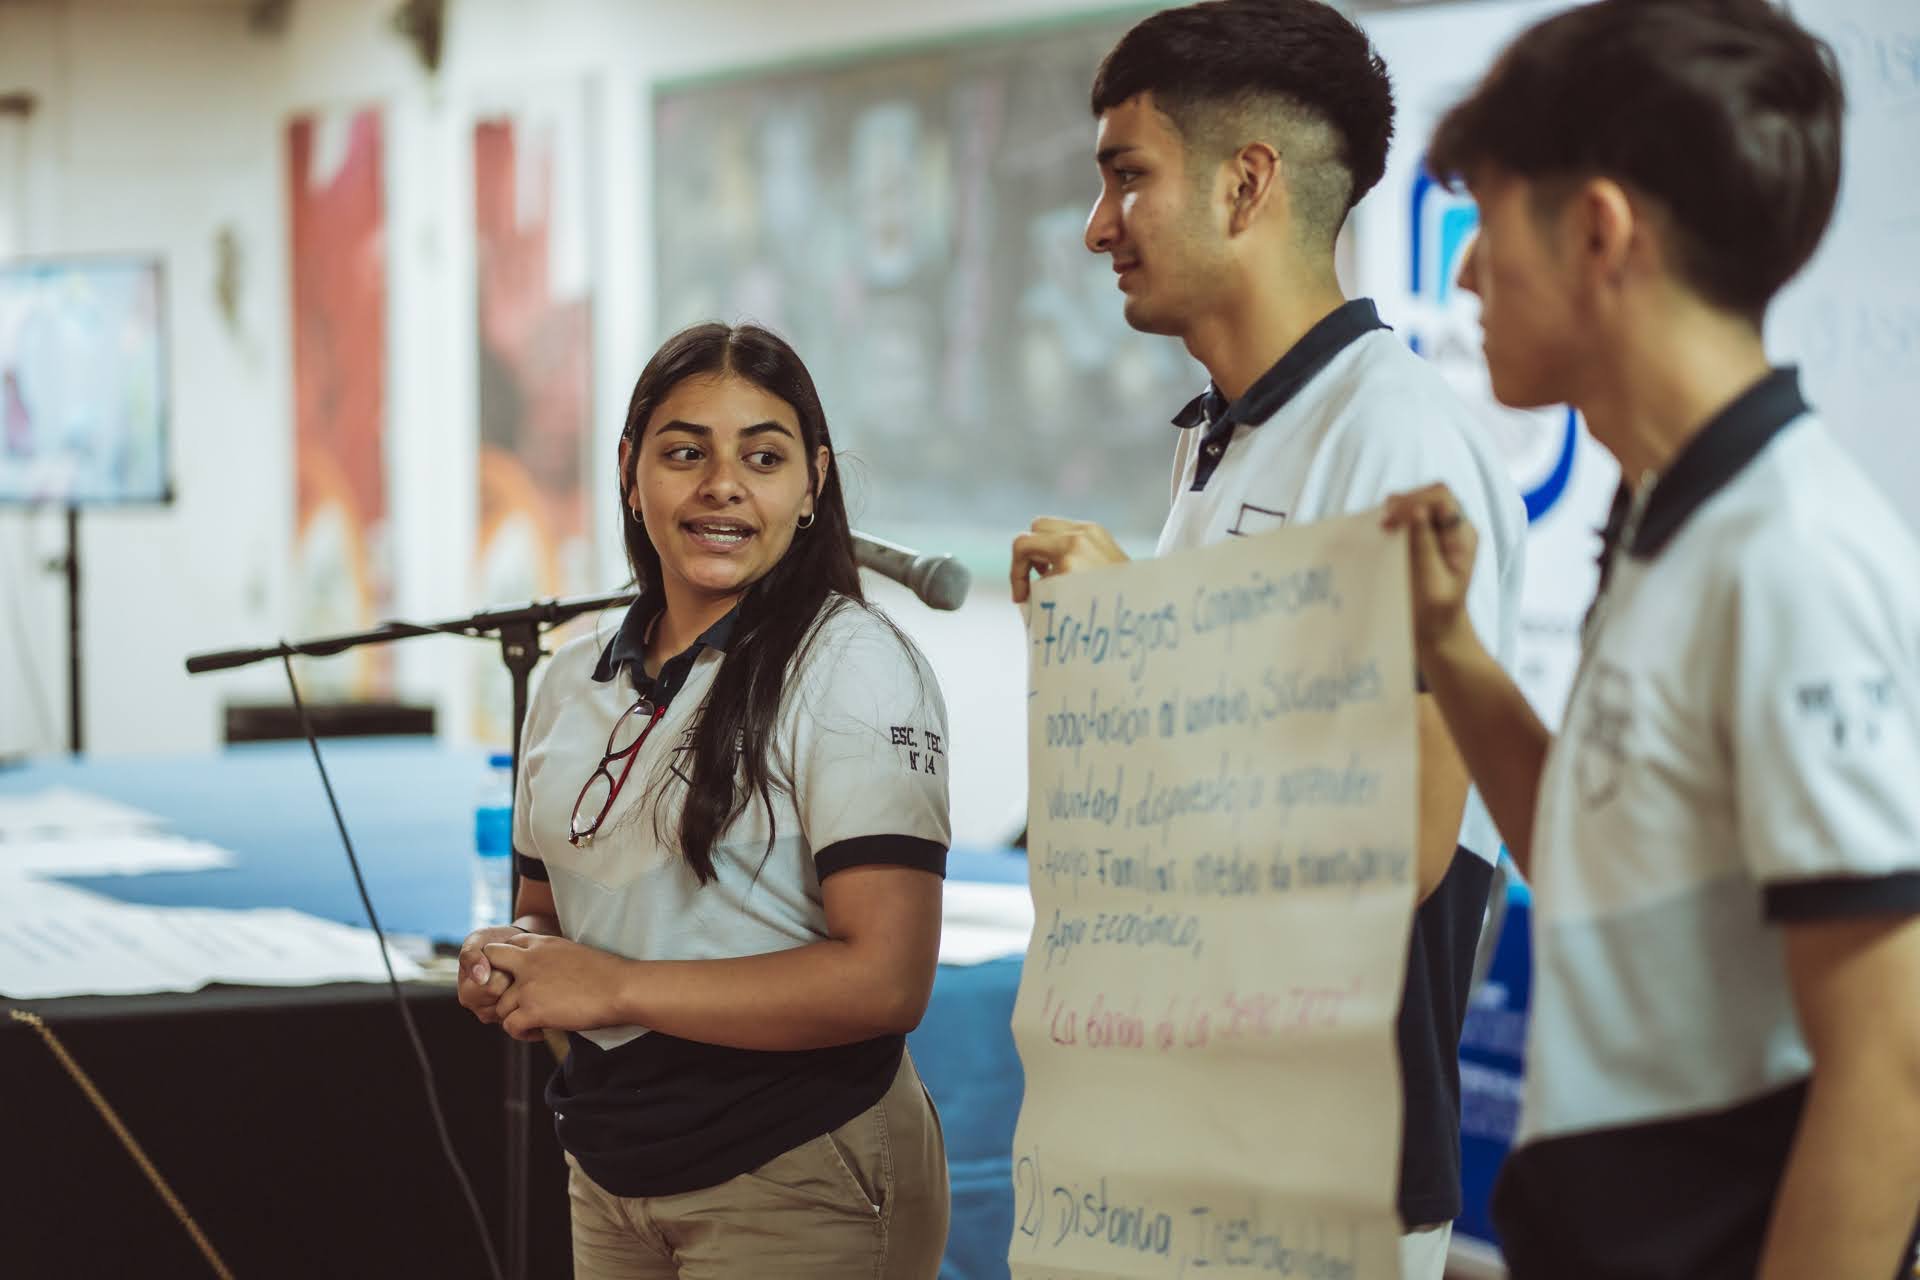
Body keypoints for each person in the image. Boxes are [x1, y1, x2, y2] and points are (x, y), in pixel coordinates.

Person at [1379, 2, 1920, 1276]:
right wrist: (1450, 646)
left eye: (1487, 226)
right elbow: (1593, 850)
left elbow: (1890, 1069)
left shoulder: (1790, 553)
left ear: (1598, 231)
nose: (1464, 276)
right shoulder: (1669, 511)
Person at [1008, 3, 1526, 1273]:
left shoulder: (1393, 439)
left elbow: (1390, 844)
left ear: (1247, 183)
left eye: (1128, 177)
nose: (1097, 228)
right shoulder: (1223, 435)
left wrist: (1140, 632)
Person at [457, 322, 952, 1279]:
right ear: (629, 470)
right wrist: (510, 962)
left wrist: (612, 985)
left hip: (799, 1164)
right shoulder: (570, 681)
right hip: (611, 1166)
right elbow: (548, 915)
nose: (722, 484)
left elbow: (887, 981)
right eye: (685, 452)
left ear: (811, 484)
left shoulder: (854, 667)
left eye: (762, 457)